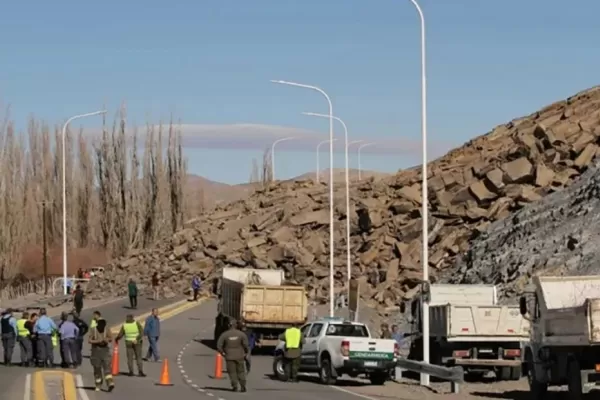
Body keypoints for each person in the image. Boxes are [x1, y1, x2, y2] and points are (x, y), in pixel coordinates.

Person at [216, 319, 249, 392]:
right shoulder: (241, 334)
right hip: (240, 356)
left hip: (229, 356)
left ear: (229, 325)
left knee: (232, 372)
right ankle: (243, 386)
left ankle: (235, 386)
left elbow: (219, 345)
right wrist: (246, 353)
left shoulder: (224, 335)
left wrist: (223, 353)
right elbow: (246, 345)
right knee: (241, 372)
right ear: (236, 325)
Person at [88, 318, 115, 392]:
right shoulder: (93, 330)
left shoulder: (107, 329)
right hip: (96, 351)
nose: (102, 327)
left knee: (107, 368)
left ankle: (110, 383)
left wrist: (106, 340)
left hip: (105, 350)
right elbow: (89, 340)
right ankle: (98, 384)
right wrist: (97, 341)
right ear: (98, 324)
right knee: (97, 369)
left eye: (103, 325)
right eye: (101, 325)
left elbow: (111, 338)